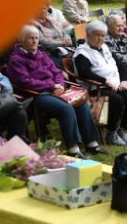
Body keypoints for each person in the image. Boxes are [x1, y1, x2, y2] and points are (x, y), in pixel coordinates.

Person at [6, 25, 101, 155]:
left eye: (36, 38)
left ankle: (91, 143)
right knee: (66, 108)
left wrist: (60, 85)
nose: (34, 41)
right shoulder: (16, 60)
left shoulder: (42, 54)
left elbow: (56, 72)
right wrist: (52, 86)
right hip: (37, 96)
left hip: (55, 90)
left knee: (81, 103)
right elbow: (25, 81)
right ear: (22, 40)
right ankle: (73, 149)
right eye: (30, 38)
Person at [73, 20, 127, 146]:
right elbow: (84, 73)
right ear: (88, 35)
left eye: (103, 35)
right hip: (96, 89)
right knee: (117, 100)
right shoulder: (82, 53)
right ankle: (111, 133)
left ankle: (122, 129)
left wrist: (124, 81)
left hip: (114, 86)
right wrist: (104, 81)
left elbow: (120, 66)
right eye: (97, 35)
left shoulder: (105, 48)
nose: (100, 38)